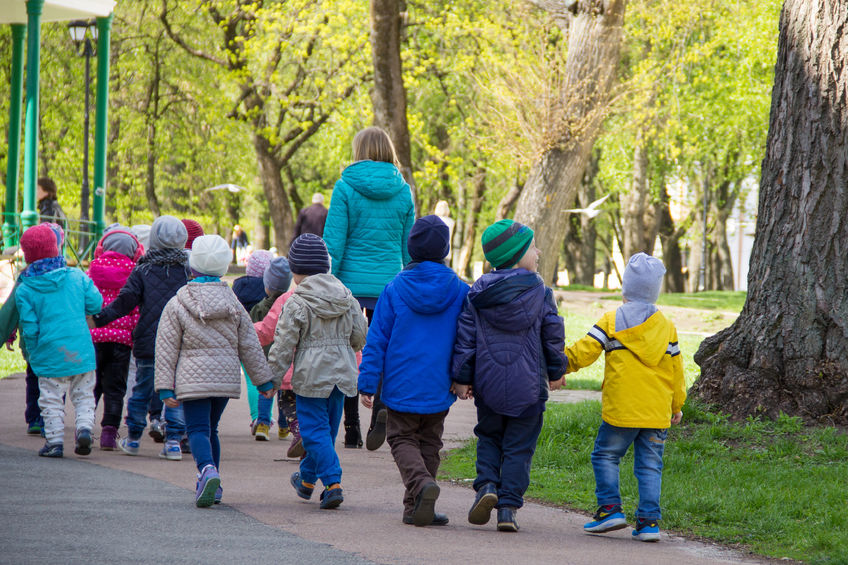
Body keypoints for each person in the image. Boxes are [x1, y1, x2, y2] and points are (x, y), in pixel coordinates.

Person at [451, 219, 567, 532]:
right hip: (529, 388)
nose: (538, 250)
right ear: (516, 255)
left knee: (489, 436)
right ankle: (508, 508)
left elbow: (465, 338)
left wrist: (462, 377)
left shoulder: (477, 293)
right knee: (519, 447)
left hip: (488, 385)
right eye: (532, 247)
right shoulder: (541, 292)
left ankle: (487, 485)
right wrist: (557, 371)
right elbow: (552, 336)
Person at [566, 252, 685, 542]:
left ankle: (610, 510)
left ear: (625, 289)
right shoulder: (666, 326)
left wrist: (561, 366)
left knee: (606, 455)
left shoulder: (611, 320)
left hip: (622, 408)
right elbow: (677, 370)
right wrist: (677, 404)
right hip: (657, 411)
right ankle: (649, 524)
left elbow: (586, 350)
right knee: (650, 466)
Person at [359, 216, 469, 527]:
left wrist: (367, 382)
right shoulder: (460, 290)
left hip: (401, 383)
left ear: (410, 249)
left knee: (400, 437)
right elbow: (467, 337)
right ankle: (416, 508)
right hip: (440, 383)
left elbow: (376, 339)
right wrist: (464, 377)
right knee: (430, 443)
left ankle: (421, 485)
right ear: (445, 249)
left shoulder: (394, 289)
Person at [155, 235, 278, 507]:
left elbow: (166, 346)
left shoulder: (178, 303)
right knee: (212, 429)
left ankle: (207, 470)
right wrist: (263, 381)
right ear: (223, 268)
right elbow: (250, 344)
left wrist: (165, 386)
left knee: (197, 428)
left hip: (192, 380)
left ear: (192, 267)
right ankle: (215, 483)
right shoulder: (233, 304)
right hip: (224, 379)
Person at [323, 126, 415, 450]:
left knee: (347, 350)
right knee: (382, 348)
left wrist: (325, 279)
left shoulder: (345, 187)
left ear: (358, 150)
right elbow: (408, 246)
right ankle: (380, 410)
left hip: (348, 285)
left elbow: (334, 241)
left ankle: (351, 428)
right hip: (389, 284)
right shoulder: (403, 191)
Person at [268, 234, 367, 509]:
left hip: (311, 378)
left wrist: (272, 379)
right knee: (325, 433)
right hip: (343, 376)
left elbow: (284, 345)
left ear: (296, 272)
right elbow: (359, 335)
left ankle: (333, 483)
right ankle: (307, 480)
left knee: (313, 433)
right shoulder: (346, 296)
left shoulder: (297, 301)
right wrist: (350, 347)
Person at [92, 215, 190, 460]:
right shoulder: (189, 270)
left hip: (149, 341)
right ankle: (174, 441)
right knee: (175, 393)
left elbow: (124, 303)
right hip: (181, 341)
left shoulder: (143, 269)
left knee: (142, 390)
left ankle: (134, 438)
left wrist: (99, 319)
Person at [15, 224, 103, 457]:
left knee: (51, 399)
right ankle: (84, 429)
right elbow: (96, 303)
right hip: (81, 350)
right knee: (84, 395)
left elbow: (29, 327)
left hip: (50, 353)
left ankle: (54, 442)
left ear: (27, 254)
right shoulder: (76, 276)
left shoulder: (25, 289)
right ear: (56, 247)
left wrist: (34, 353)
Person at [0, 222, 65, 436]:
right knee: (57, 382)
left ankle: (35, 417)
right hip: (60, 343)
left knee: (34, 378)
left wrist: (6, 334)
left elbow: (9, 313)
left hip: (33, 344)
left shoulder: (24, 280)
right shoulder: (66, 277)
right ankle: (53, 418)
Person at [87, 227, 144, 450]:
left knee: (91, 387)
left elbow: (87, 301)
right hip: (121, 342)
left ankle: (85, 427)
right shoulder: (135, 272)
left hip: (95, 339)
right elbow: (137, 309)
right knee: (115, 389)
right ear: (135, 252)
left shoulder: (93, 269)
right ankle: (109, 434)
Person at [251, 257, 301, 450]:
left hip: (267, 357)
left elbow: (263, 330)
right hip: (292, 362)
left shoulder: (266, 306)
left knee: (269, 392)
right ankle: (283, 426)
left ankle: (263, 424)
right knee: (287, 396)